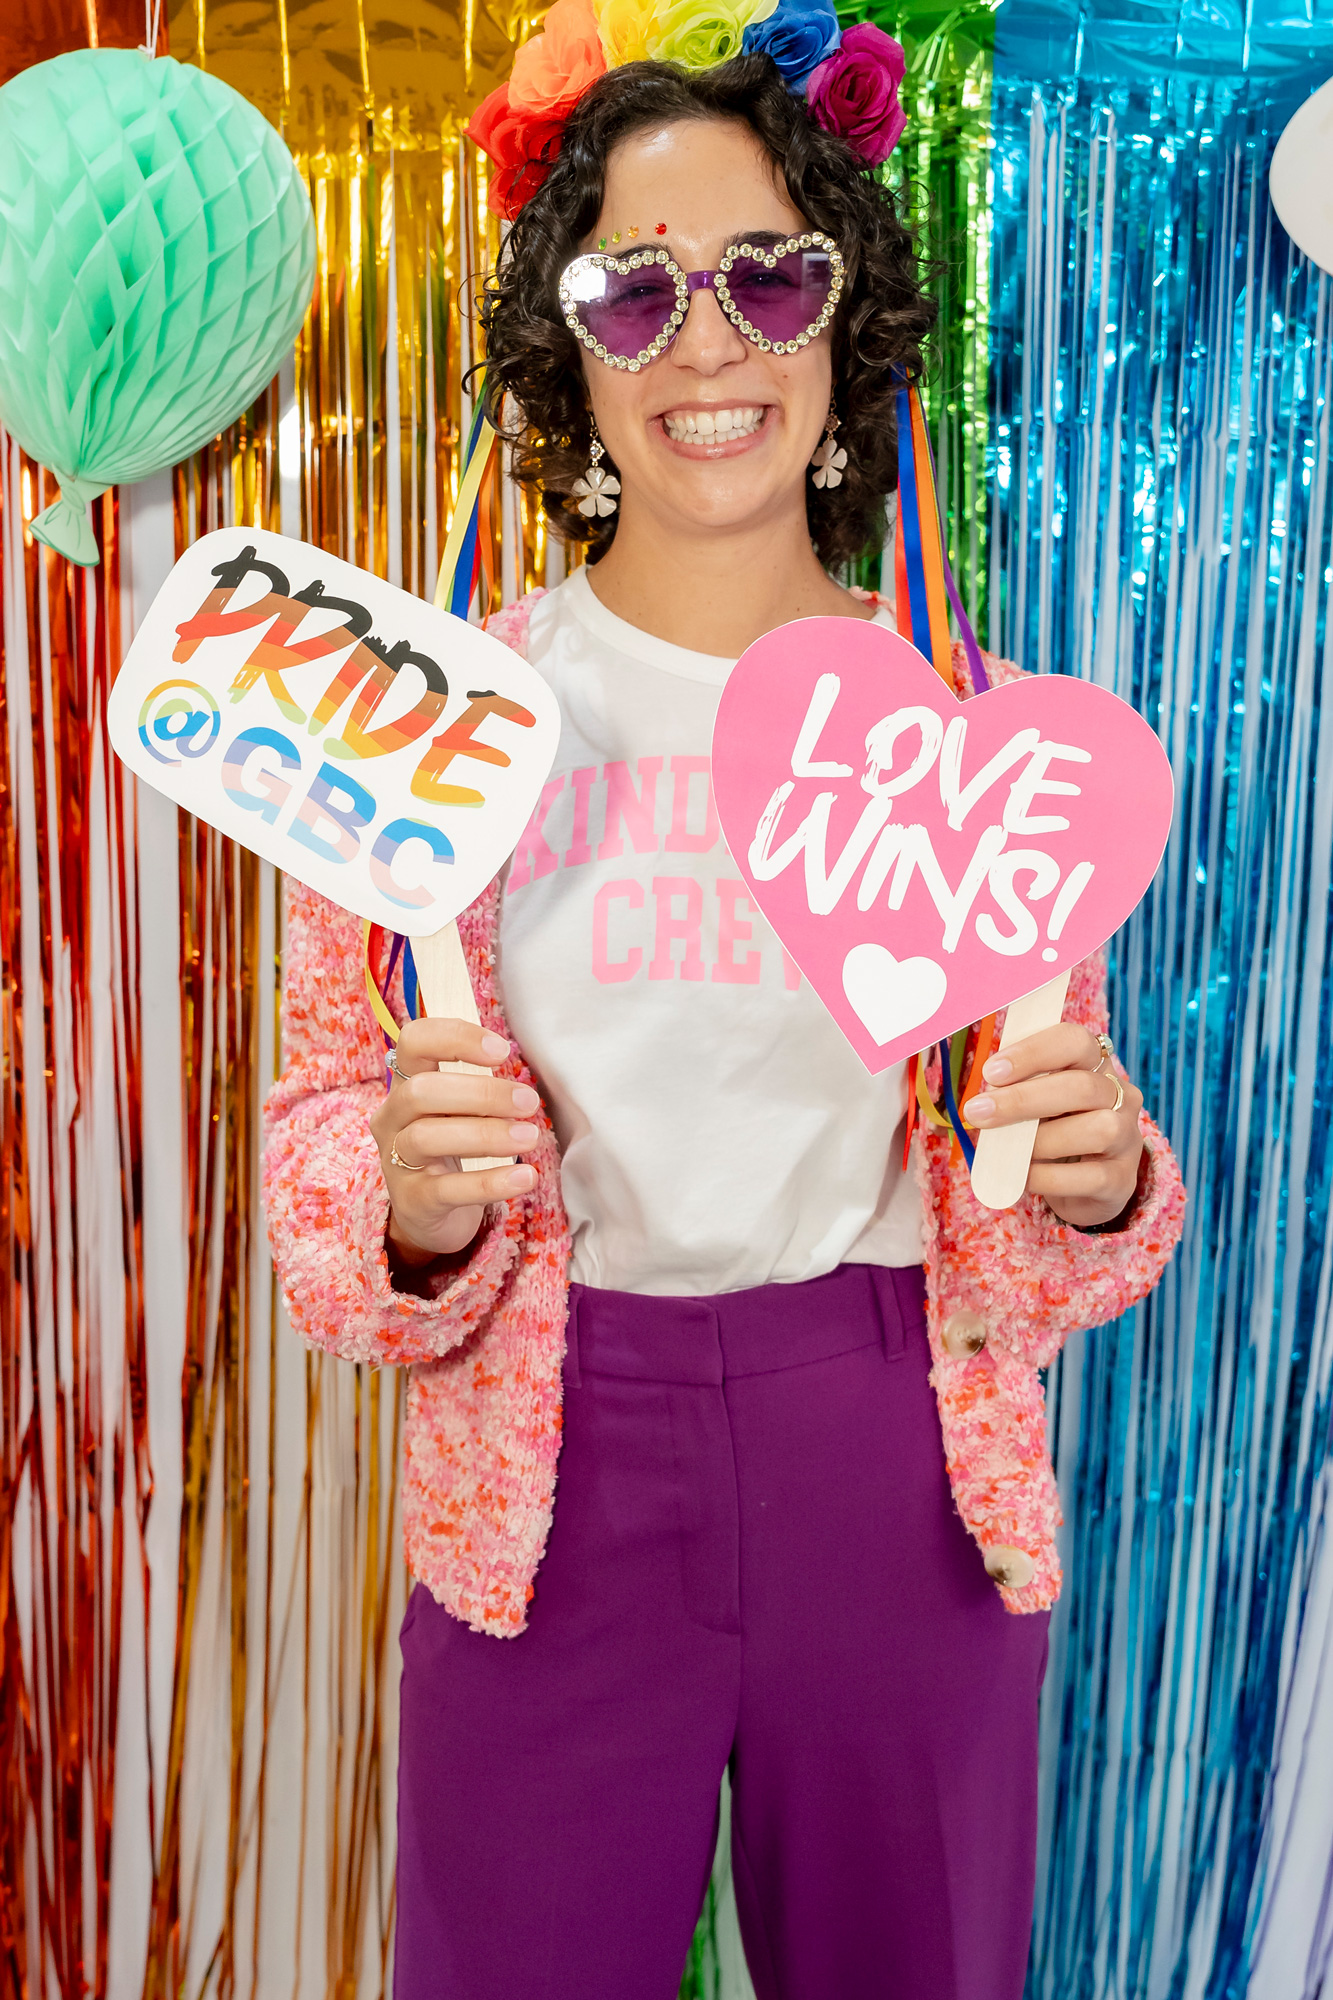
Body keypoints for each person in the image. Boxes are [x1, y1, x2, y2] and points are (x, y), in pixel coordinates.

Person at [263, 26, 1185, 2000]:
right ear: (565, 340)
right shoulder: (442, 717)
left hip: (897, 1465)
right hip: (551, 1471)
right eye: (636, 283)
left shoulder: (965, 731)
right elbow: (320, 1145)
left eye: (771, 272)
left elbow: (1034, 1223)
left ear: (840, 316)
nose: (710, 339)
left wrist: (1097, 1178)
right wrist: (410, 1204)